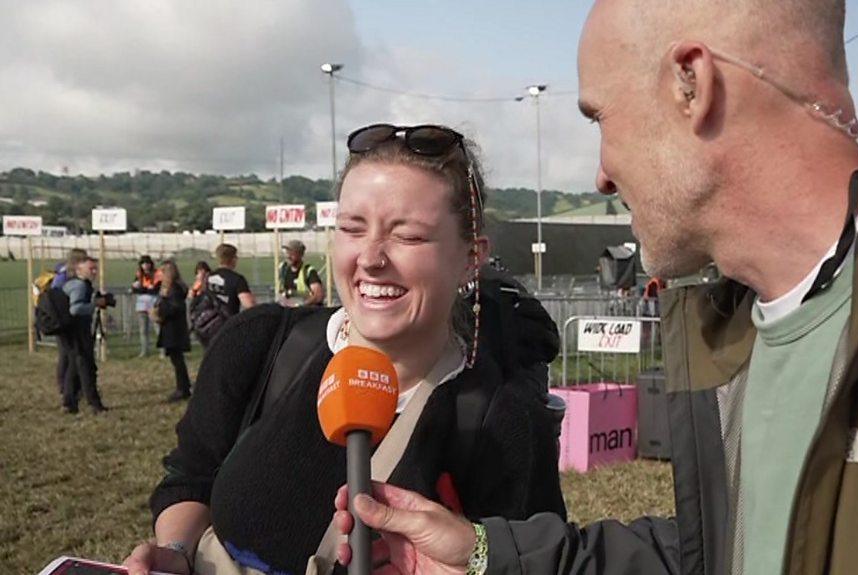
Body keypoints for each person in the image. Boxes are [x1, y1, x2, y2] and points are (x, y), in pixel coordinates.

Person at [330, 2, 858, 574]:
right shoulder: (733, 334)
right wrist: (484, 553)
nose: (601, 173)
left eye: (600, 117)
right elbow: (722, 552)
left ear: (693, 84)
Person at [125, 123, 565, 575]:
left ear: (471, 256)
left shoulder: (503, 422)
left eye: (408, 236)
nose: (371, 258)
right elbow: (191, 476)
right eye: (353, 229)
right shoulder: (263, 344)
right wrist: (175, 551)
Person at [62, 256, 108, 414]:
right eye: (91, 269)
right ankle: (93, 402)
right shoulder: (79, 286)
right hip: (77, 332)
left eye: (95, 268)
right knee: (85, 366)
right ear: (79, 270)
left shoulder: (76, 284)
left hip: (73, 331)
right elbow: (75, 309)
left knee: (74, 366)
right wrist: (95, 305)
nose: (94, 272)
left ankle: (69, 402)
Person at [52, 248, 88, 396]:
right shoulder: (65, 278)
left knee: (68, 356)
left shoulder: (62, 276)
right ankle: (66, 388)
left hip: (67, 320)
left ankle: (71, 388)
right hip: (66, 320)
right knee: (68, 357)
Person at [155, 260, 192, 402]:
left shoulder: (174, 289)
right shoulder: (169, 289)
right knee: (176, 360)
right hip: (171, 327)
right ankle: (183, 386)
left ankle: (182, 388)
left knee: (178, 360)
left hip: (174, 329)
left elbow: (175, 307)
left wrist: (160, 311)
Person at [207, 244, 255, 315]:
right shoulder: (237, 279)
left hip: (209, 321)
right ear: (233, 259)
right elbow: (249, 304)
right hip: (229, 322)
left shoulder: (208, 277)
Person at [277, 239, 325, 307]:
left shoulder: (308, 271)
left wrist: (301, 305)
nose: (288, 256)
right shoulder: (283, 269)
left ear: (300, 254)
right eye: (287, 252)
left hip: (307, 312)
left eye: (292, 253)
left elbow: (318, 296)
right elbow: (281, 292)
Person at [131, 255, 161, 357]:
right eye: (143, 263)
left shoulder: (157, 274)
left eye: (147, 263)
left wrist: (144, 289)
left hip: (153, 303)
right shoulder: (139, 275)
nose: (145, 266)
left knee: (157, 327)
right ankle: (144, 351)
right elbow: (135, 288)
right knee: (143, 329)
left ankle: (163, 350)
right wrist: (145, 288)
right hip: (141, 304)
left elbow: (155, 289)